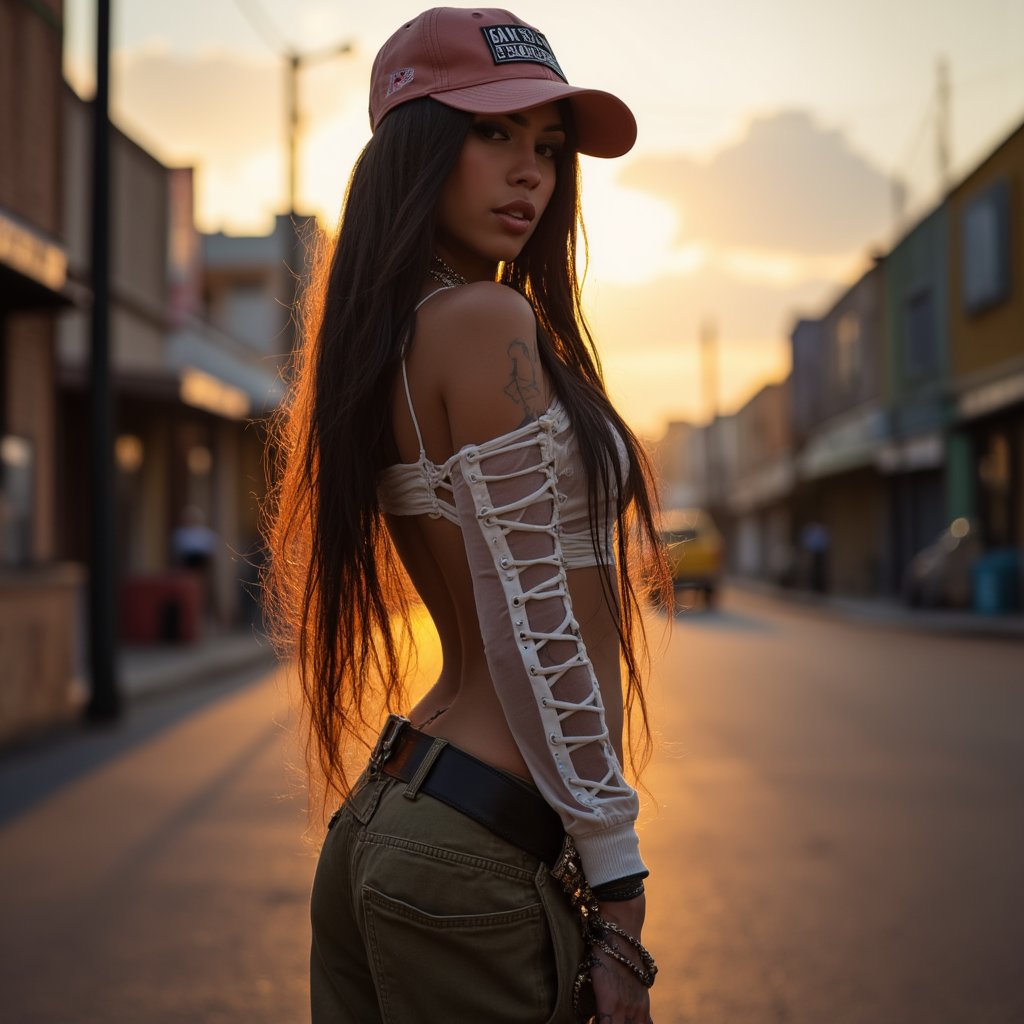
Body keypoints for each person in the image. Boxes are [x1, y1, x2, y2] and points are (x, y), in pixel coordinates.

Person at [264, 9, 669, 1022]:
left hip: (397, 811)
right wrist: (616, 894)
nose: (529, 173)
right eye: (493, 133)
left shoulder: (395, 334)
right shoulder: (487, 323)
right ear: (419, 145)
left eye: (547, 145)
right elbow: (541, 617)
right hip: (475, 846)